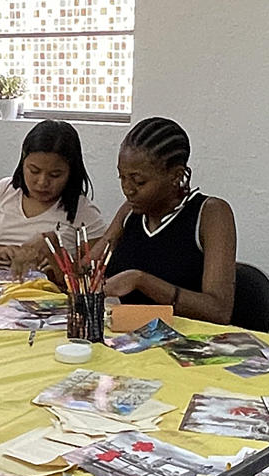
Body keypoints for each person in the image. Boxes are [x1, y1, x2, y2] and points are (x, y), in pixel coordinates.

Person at [97, 117, 239, 323]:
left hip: (188, 342)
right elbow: (86, 274)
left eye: (139, 181)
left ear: (175, 176)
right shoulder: (130, 212)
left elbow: (219, 311)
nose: (128, 189)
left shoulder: (211, 214)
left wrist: (141, 281)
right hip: (130, 337)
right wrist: (53, 253)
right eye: (122, 177)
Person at [0, 119, 104, 274]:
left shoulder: (85, 213)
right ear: (23, 163)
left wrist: (57, 259)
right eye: (34, 171)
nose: (42, 182)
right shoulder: (3, 190)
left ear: (71, 173)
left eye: (55, 175)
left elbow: (92, 278)